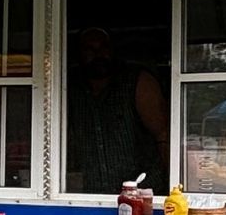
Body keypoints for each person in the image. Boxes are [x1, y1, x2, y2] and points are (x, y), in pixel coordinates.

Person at [65, 27, 168, 194]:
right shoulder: (67, 86)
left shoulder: (137, 81)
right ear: (79, 55)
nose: (98, 54)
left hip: (142, 191)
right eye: (90, 49)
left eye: (103, 48)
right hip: (90, 195)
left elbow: (163, 135)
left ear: (112, 50)